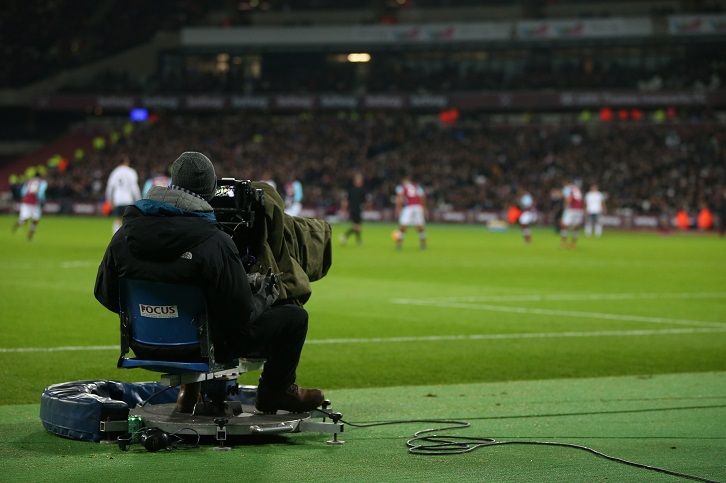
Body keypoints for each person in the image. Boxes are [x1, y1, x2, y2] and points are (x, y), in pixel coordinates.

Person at [94, 151, 325, 414]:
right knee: (294, 317)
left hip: (143, 344)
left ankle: (189, 391)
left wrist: (158, 314)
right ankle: (276, 391)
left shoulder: (123, 235)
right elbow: (239, 315)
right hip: (202, 348)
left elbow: (106, 295)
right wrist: (264, 296)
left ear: (172, 184)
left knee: (207, 317)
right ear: (210, 191)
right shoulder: (214, 242)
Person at [105, 155, 141, 235]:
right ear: (127, 162)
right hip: (128, 199)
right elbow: (134, 187)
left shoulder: (115, 172)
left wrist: (109, 200)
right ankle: (128, 235)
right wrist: (138, 199)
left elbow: (109, 187)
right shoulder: (131, 171)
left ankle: (115, 236)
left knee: (118, 218)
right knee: (129, 219)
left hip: (118, 200)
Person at [12, 169, 47, 241]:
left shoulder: (29, 181)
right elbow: (41, 193)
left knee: (25, 219)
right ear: (41, 176)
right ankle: (30, 236)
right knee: (35, 220)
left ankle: (17, 225)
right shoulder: (42, 182)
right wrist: (43, 201)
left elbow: (23, 192)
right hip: (34, 202)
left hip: (26, 201)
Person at [394, 174, 427, 250]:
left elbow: (399, 197)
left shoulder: (401, 187)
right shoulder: (417, 186)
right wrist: (423, 207)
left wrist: (398, 208)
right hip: (418, 207)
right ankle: (423, 243)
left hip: (409, 207)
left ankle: (399, 244)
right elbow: (423, 197)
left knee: (403, 225)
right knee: (420, 225)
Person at [339, 172, 367, 246]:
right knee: (357, 226)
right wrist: (344, 208)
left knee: (357, 226)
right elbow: (346, 200)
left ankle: (358, 241)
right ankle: (345, 236)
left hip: (358, 209)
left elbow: (364, 201)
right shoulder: (352, 190)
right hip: (354, 209)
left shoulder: (362, 190)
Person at [560, 177, 584, 249]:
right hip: (579, 209)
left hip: (571, 209)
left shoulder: (567, 188)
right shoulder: (576, 188)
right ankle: (573, 244)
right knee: (575, 226)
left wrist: (565, 207)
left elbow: (568, 199)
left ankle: (564, 243)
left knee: (564, 224)